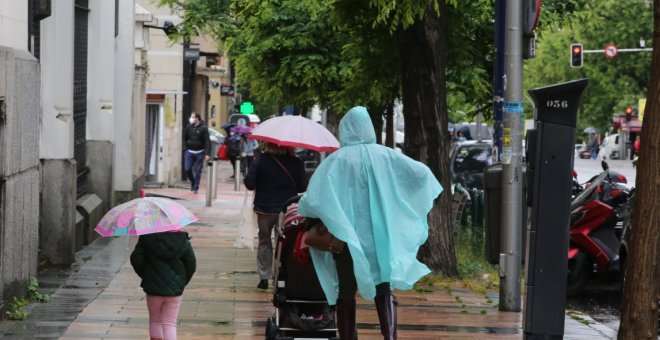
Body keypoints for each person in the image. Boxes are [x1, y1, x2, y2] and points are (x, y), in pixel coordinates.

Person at [297, 106, 442, 340]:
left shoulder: (336, 161)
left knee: (346, 289)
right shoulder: (387, 156)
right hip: (380, 238)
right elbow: (422, 175)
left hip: (345, 240)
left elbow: (314, 198)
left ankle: (347, 336)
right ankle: (389, 335)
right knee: (383, 287)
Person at [244, 142, 308, 289]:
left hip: (265, 208)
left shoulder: (261, 160)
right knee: (285, 242)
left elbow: (249, 184)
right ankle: (282, 275)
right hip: (287, 209)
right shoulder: (295, 162)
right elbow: (303, 186)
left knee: (264, 241)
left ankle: (264, 277)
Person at [130, 230, 197, 340]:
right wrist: (182, 282)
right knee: (170, 323)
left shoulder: (146, 238)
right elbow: (191, 263)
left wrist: (147, 276)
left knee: (155, 321)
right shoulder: (183, 241)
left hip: (153, 290)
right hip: (175, 291)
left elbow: (136, 258)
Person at [183, 112, 210, 193]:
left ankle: (196, 187)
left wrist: (207, 153)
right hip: (189, 152)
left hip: (199, 152)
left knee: (197, 171)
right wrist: (185, 148)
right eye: (191, 117)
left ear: (197, 118)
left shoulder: (204, 128)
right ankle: (193, 182)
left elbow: (207, 141)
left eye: (193, 117)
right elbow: (184, 138)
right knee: (187, 169)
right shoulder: (188, 127)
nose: (191, 118)